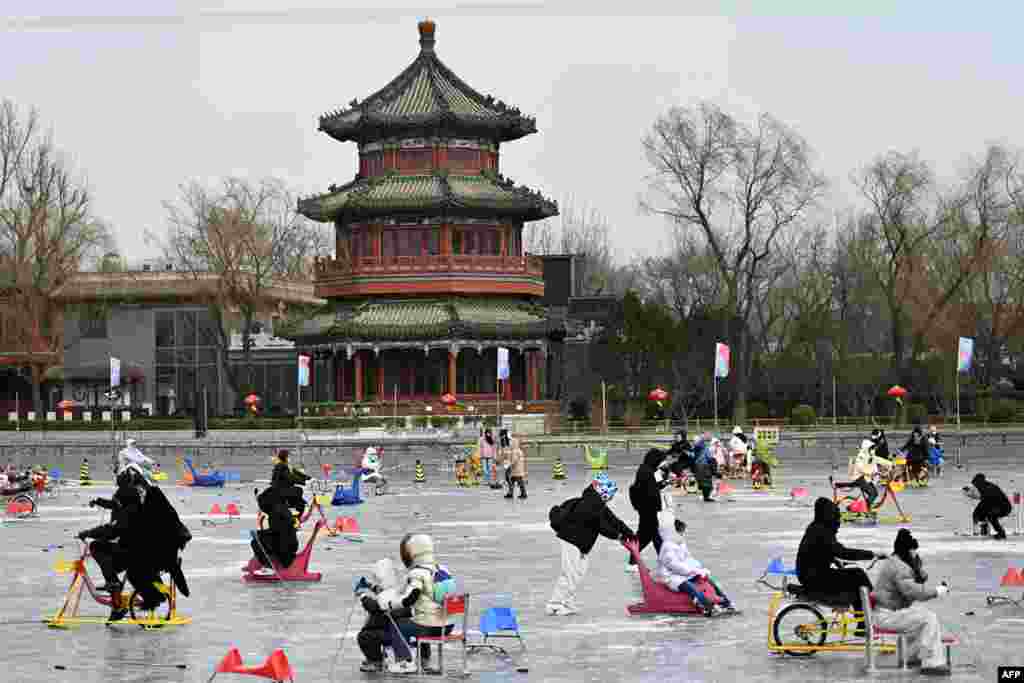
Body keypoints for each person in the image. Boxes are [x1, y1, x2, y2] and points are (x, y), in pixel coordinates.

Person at [546, 473, 635, 616]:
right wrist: (618, 536)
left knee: (578, 573)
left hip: (580, 544)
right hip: (571, 541)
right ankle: (555, 604)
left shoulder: (597, 504)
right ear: (603, 491)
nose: (611, 498)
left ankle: (566, 601)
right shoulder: (590, 504)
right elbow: (601, 525)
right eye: (610, 495)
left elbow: (613, 520)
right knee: (571, 574)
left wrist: (629, 533)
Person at [871, 529, 951, 676]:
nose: (915, 554)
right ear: (906, 550)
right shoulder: (899, 567)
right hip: (887, 616)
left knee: (925, 617)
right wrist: (937, 591)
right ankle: (931, 663)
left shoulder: (896, 562)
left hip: (888, 612)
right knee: (929, 619)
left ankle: (914, 656)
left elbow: (919, 579)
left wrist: (917, 567)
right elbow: (914, 591)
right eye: (913, 550)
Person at [796, 497, 882, 633]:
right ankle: (872, 616)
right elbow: (841, 551)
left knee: (855, 577)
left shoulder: (816, 527)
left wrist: (837, 561)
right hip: (815, 578)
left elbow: (821, 552)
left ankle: (863, 623)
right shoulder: (822, 531)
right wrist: (871, 554)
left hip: (811, 574)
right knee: (858, 575)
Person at [384, 534, 456, 674]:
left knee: (396, 622)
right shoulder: (443, 569)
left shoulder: (417, 573)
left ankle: (404, 661)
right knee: (422, 618)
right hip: (447, 625)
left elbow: (409, 599)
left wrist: (390, 604)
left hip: (430, 627)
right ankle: (425, 661)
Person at [654, 511, 735, 616]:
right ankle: (706, 606)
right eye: (680, 532)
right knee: (690, 587)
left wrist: (699, 569)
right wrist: (691, 571)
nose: (683, 534)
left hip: (685, 573)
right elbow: (674, 565)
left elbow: (688, 558)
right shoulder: (667, 547)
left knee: (708, 580)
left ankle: (725, 603)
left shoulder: (680, 543)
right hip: (672, 577)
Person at [356, 558, 414, 673]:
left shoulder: (389, 595)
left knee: (365, 636)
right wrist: (369, 586)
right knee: (374, 629)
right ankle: (376, 658)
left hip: (394, 633)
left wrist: (362, 595)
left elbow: (374, 607)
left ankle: (376, 662)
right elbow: (384, 592)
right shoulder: (402, 587)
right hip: (404, 628)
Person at [627, 448, 669, 572]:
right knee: (645, 536)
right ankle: (632, 562)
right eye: (661, 460)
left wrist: (664, 483)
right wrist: (657, 505)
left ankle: (664, 560)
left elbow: (654, 487)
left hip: (648, 509)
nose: (662, 463)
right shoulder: (645, 472)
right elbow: (649, 492)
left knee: (654, 535)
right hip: (647, 509)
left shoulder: (648, 470)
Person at [252, 485, 299, 574]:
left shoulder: (277, 514)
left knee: (256, 542)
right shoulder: (280, 510)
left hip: (285, 551)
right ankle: (266, 564)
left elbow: (277, 533)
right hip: (287, 546)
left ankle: (269, 567)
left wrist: (259, 534)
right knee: (260, 539)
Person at [832, 439, 881, 509]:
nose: (872, 449)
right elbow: (861, 468)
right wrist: (873, 473)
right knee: (873, 494)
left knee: (872, 493)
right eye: (871, 448)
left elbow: (874, 462)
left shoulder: (867, 454)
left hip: (863, 477)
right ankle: (865, 507)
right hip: (860, 477)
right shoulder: (861, 456)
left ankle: (837, 484)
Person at [971, 473, 1012, 540]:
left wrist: (977, 513)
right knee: (982, 512)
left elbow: (988, 501)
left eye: (976, 485)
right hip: (996, 506)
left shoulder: (989, 488)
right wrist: (976, 514)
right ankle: (984, 531)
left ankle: (1001, 533)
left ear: (980, 483)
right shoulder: (984, 487)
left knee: (991, 516)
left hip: (1004, 507)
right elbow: (982, 504)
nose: (976, 487)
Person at [499, 429, 527, 500]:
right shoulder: (515, 448)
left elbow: (514, 458)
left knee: (518, 479)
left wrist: (509, 464)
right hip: (515, 466)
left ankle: (522, 493)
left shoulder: (514, 448)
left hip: (516, 467)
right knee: (513, 479)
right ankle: (511, 493)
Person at [691, 433, 719, 502]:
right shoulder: (702, 447)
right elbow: (709, 457)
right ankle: (706, 497)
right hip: (703, 466)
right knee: (706, 482)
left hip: (698, 466)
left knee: (704, 483)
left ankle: (706, 496)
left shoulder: (697, 448)